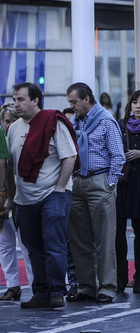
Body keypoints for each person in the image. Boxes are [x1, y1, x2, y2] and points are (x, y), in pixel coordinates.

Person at [8, 82, 79, 309]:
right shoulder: (14, 128)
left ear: (35, 100)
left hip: (53, 194)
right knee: (33, 248)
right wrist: (11, 196)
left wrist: (60, 187)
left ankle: (57, 292)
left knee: (54, 245)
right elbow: (10, 165)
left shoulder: (53, 121)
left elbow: (70, 157)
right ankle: (41, 293)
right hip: (24, 198)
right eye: (15, 99)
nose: (16, 104)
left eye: (21, 99)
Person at [63, 83, 125, 304]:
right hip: (77, 182)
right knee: (79, 240)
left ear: (87, 99)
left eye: (74, 102)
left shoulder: (106, 121)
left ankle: (107, 288)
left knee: (104, 239)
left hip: (99, 181)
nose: (71, 106)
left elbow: (118, 155)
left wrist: (109, 183)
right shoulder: (73, 123)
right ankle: (86, 287)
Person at [116, 90, 140, 294]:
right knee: (118, 232)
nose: (138, 106)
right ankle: (120, 276)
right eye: (134, 102)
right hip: (123, 181)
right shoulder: (121, 125)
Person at [0, 105, 33, 302]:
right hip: (3, 196)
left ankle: (35, 286)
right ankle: (13, 285)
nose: (9, 124)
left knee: (26, 245)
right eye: (6, 120)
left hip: (22, 196)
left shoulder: (23, 138)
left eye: (12, 120)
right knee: (5, 245)